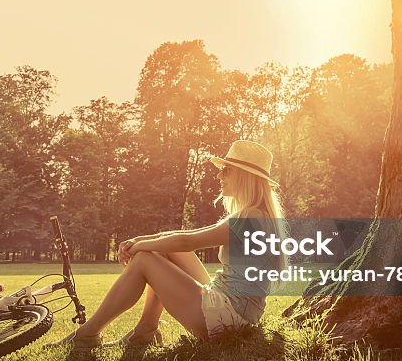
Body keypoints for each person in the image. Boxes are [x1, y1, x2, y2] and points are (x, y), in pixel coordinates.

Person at [47, 140, 285, 349]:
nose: (219, 176)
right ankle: (145, 332)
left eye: (227, 170)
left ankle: (88, 334)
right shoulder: (257, 214)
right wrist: (142, 240)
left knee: (144, 260)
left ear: (246, 177)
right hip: (234, 310)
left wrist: (140, 248)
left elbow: (188, 241)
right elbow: (182, 236)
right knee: (164, 247)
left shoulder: (250, 218)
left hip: (227, 316)